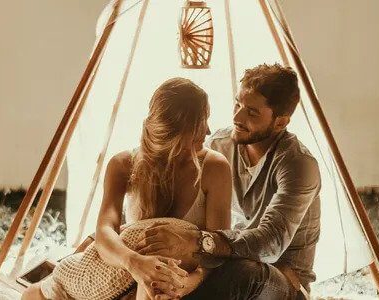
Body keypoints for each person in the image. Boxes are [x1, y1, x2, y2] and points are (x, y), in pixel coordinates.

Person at [21, 77, 232, 300]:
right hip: (125, 267)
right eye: (202, 123)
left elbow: (220, 247)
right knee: (32, 295)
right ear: (177, 131)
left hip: (178, 278)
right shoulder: (123, 164)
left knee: (157, 280)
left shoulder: (214, 168)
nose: (209, 132)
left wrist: (188, 283)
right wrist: (134, 263)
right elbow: (105, 231)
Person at [137, 63, 321, 300]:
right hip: (227, 262)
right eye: (238, 104)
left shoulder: (299, 165)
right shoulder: (218, 145)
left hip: (279, 280)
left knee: (244, 273)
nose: (237, 117)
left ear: (280, 122)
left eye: (252, 112)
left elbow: (271, 242)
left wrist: (199, 243)